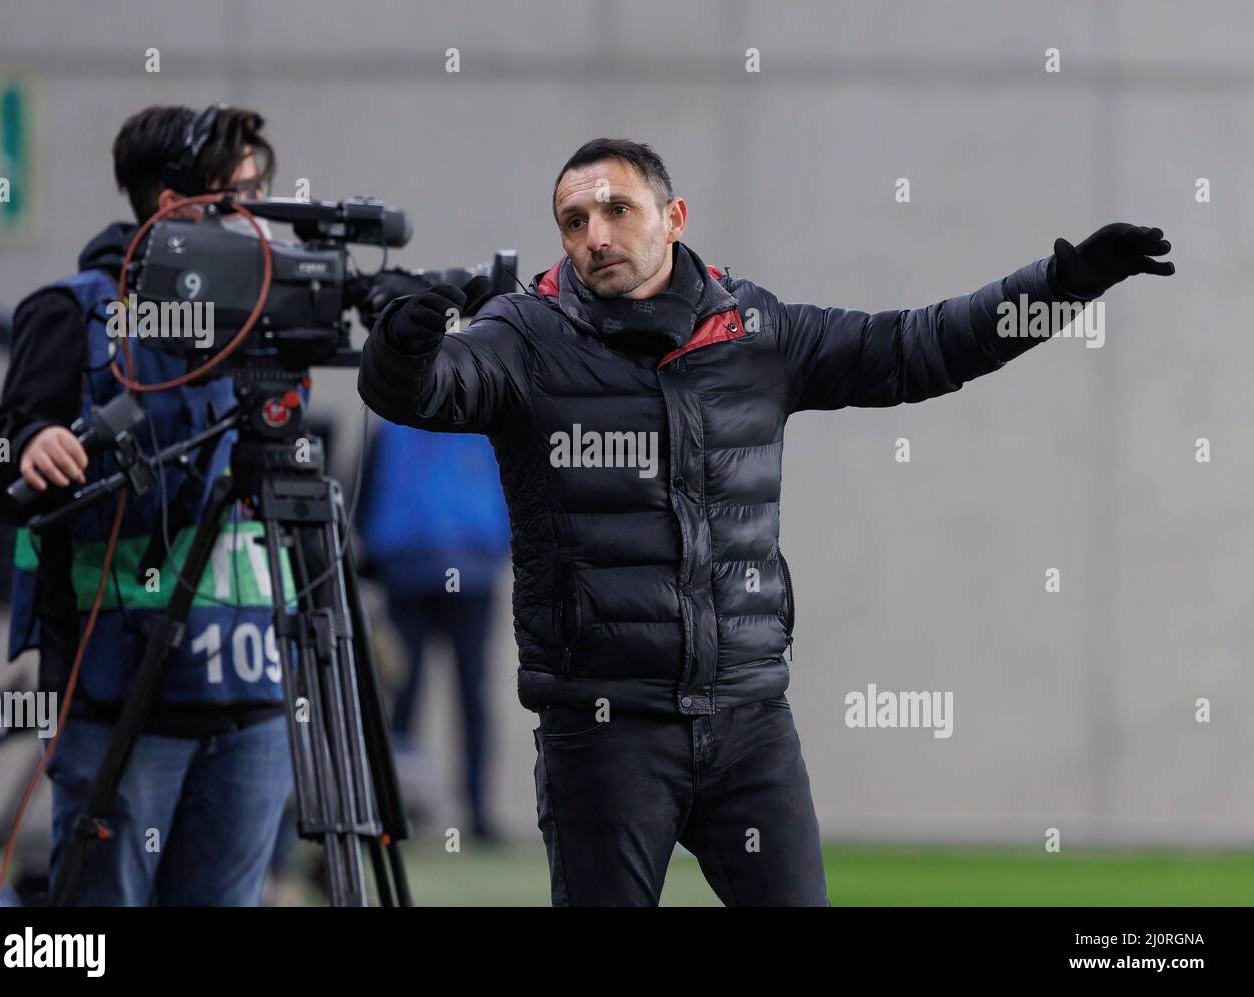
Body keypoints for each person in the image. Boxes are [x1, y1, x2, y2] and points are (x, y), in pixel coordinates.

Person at [358, 137, 1174, 906]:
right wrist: (401, 342)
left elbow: (920, 348)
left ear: (674, 219)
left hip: (748, 720)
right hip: (604, 726)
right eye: (575, 221)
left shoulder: (756, 332)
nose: (595, 235)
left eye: (617, 211)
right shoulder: (523, 336)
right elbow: (419, 390)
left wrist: (1060, 287)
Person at [0, 104, 292, 906]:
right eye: (237, 196)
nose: (256, 218)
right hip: (118, 696)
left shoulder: (262, 318)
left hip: (252, 695)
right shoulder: (71, 310)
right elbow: (0, 473)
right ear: (171, 204)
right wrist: (36, 445)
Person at [356, 417, 510, 841]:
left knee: (420, 697)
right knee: (449, 698)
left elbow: (364, 502)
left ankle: (401, 812)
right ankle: (461, 814)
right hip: (444, 571)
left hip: (423, 570)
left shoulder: (393, 426)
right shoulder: (481, 425)